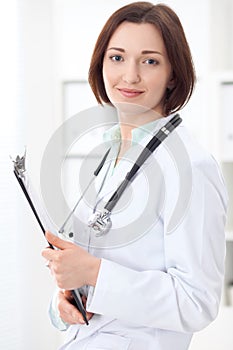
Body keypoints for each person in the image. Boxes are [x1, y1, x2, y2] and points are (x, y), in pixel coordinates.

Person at [42, 2, 228, 349]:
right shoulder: (109, 154)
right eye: (117, 58)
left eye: (150, 60)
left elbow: (197, 303)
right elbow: (93, 275)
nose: (129, 76)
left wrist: (95, 273)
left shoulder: (191, 167)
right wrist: (63, 303)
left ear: (173, 73)